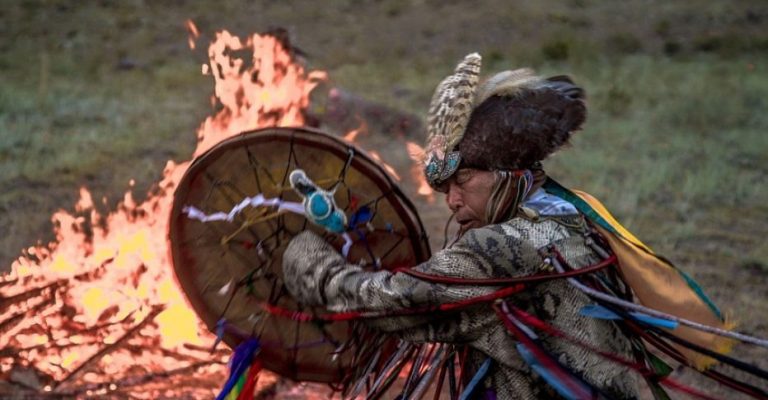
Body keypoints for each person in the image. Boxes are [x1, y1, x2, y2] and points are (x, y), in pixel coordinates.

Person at [281, 54, 722, 399]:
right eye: (446, 188)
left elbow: (395, 303)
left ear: (510, 173)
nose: (452, 201)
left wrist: (309, 263)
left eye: (463, 181)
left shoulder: (498, 250)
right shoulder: (569, 214)